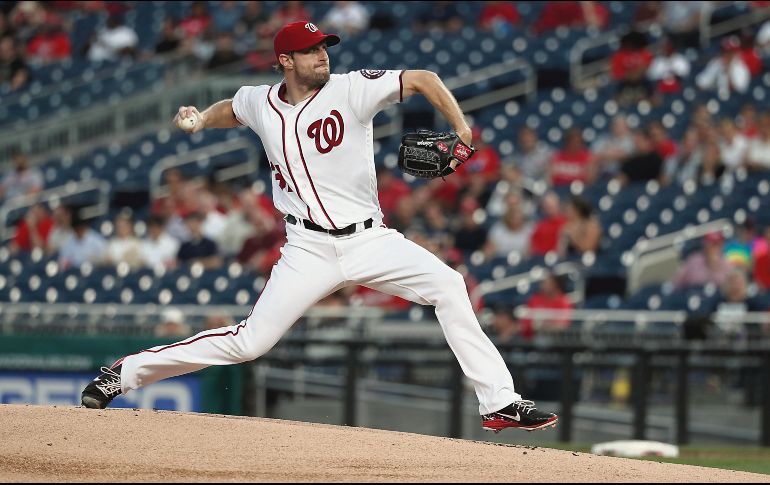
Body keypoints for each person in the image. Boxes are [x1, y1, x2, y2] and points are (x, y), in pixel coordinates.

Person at [81, 20, 557, 433]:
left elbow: (424, 79)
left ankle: (499, 403)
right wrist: (202, 119)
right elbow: (235, 107)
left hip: (370, 238)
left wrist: (463, 130)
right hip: (306, 248)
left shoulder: (351, 88)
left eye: (324, 47)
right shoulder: (261, 101)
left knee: (450, 286)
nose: (322, 55)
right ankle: (125, 373)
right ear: (285, 59)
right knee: (251, 343)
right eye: (310, 50)